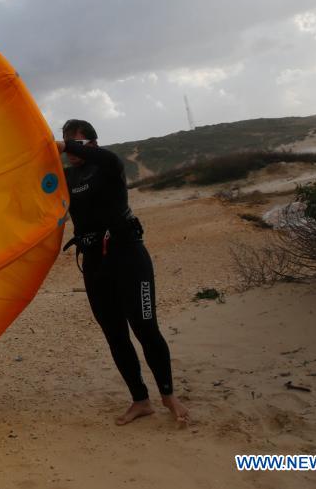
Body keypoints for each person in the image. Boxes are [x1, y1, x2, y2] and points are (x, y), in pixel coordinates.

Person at [57, 119, 189, 425]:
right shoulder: (67, 177)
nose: (69, 150)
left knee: (145, 329)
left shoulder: (109, 164)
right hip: (94, 262)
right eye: (66, 143)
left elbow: (102, 158)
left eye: (74, 142)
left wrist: (64, 146)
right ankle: (140, 401)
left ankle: (168, 395)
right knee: (115, 335)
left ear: (91, 143)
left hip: (129, 257)